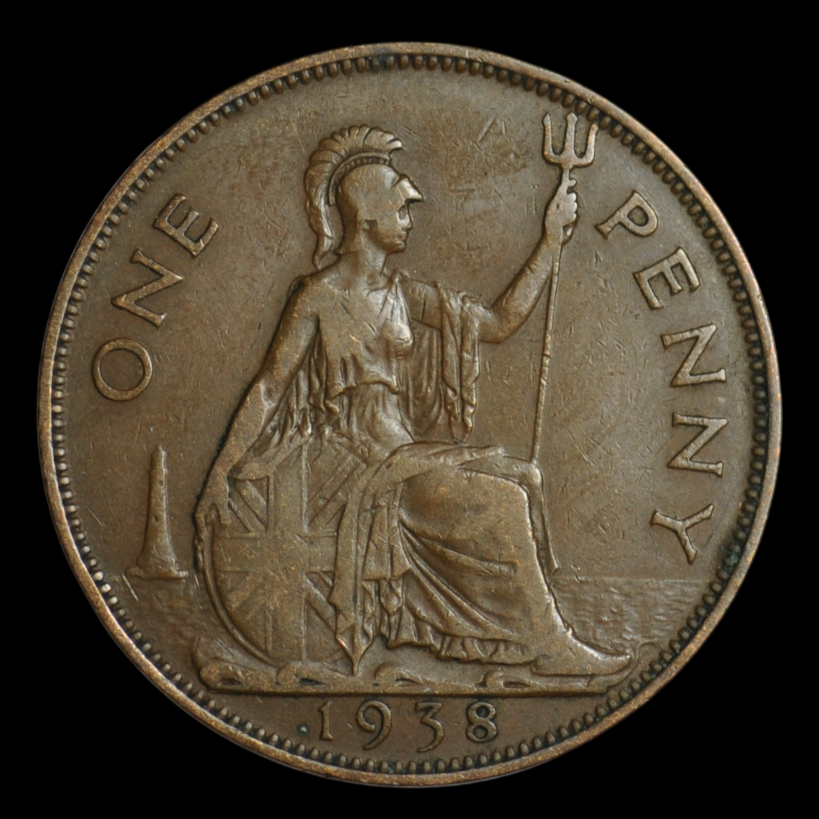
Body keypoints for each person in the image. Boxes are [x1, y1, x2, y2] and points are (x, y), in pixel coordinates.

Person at [195, 124, 627, 680]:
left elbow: (498, 324)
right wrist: (220, 471)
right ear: (366, 218)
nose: (410, 219)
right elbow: (270, 386)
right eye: (401, 209)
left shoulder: (405, 293)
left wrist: (549, 241)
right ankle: (549, 646)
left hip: (405, 452)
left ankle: (521, 636)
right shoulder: (318, 297)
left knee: (528, 478)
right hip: (358, 461)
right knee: (506, 501)